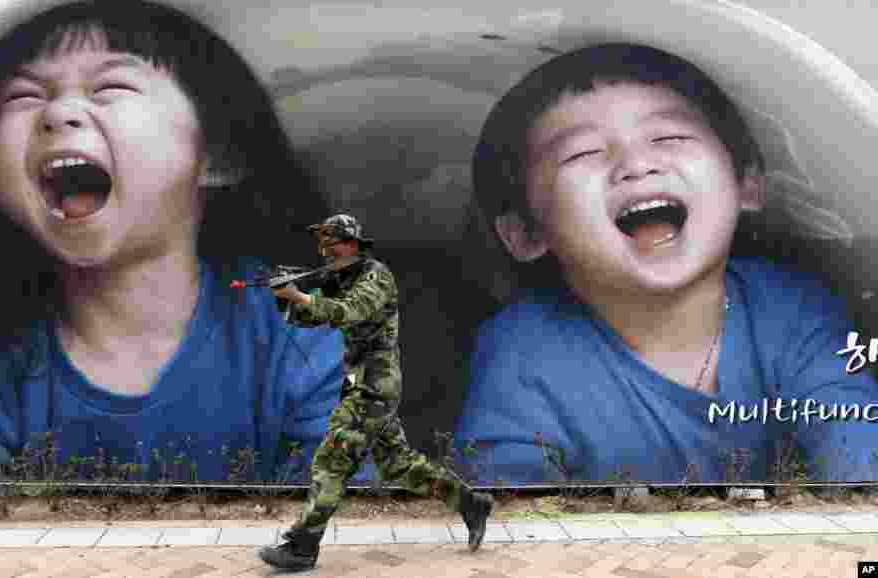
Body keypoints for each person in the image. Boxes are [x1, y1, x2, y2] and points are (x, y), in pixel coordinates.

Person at [0, 0, 345, 483]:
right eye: (23, 96)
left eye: (111, 87)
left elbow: (339, 525)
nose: (58, 112)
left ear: (219, 155)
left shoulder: (300, 331)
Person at [455, 43, 878, 484]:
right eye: (582, 153)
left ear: (747, 182)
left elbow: (860, 460)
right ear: (525, 233)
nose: (638, 164)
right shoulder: (522, 359)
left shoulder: (794, 310)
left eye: (669, 137)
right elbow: (509, 520)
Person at [259, 214, 494, 571]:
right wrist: (285, 297)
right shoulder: (341, 277)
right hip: (361, 382)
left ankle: (303, 546)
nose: (324, 250)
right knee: (397, 464)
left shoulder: (375, 276)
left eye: (332, 242)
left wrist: (302, 296)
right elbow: (312, 318)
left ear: (353, 243)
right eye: (321, 243)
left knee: (331, 460)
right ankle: (470, 503)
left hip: (375, 385)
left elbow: (348, 312)